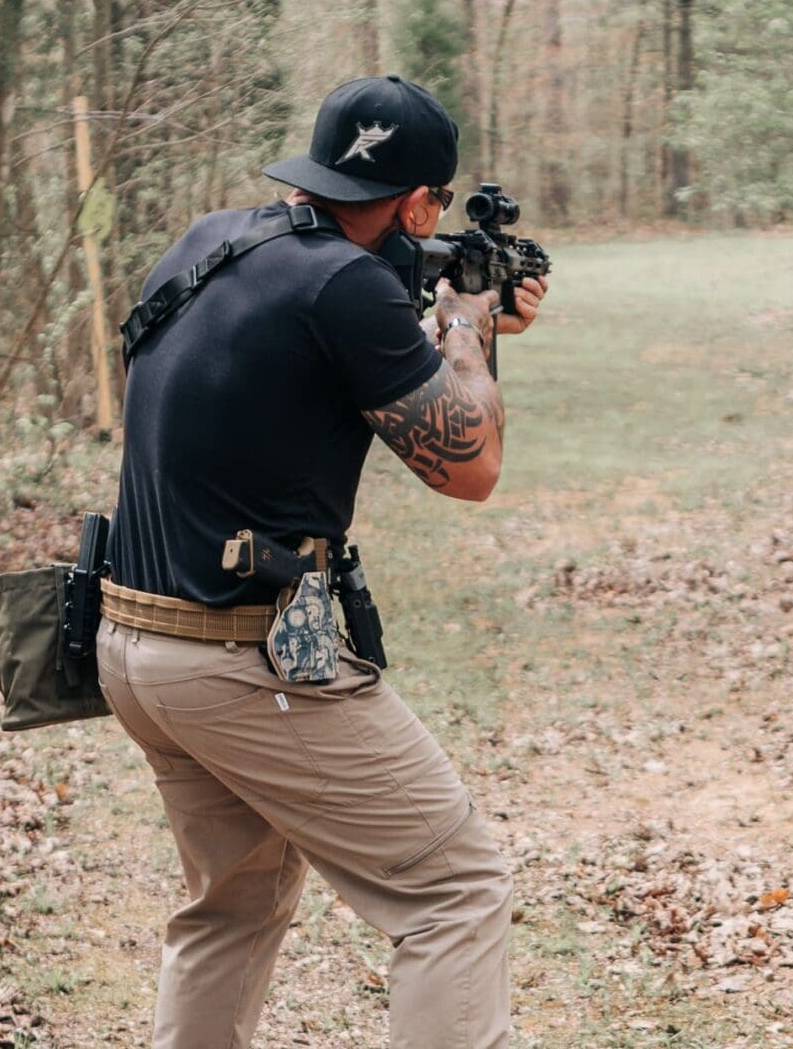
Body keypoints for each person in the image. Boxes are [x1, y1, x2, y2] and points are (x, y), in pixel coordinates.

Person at [94, 74, 547, 1049]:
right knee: (454, 888)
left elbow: (272, 360)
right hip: (238, 658)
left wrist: (437, 324)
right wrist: (465, 329)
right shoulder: (346, 286)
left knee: (233, 906)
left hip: (131, 640)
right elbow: (472, 466)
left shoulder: (209, 241)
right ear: (422, 204)